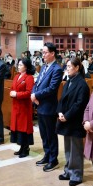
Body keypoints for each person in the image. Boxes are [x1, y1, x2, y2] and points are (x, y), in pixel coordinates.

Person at [57, 57, 90, 186]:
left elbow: (80, 104)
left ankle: (76, 175)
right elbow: (61, 99)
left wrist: (67, 116)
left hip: (75, 120)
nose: (67, 69)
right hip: (65, 119)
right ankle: (68, 171)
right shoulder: (68, 82)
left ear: (77, 68)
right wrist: (60, 112)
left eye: (70, 66)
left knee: (76, 149)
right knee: (67, 148)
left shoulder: (82, 84)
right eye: (67, 66)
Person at [31, 42, 64, 172]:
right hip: (40, 105)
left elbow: (52, 88)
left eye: (45, 52)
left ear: (52, 53)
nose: (43, 55)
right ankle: (47, 154)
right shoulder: (44, 67)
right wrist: (34, 94)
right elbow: (37, 83)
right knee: (44, 133)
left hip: (49, 106)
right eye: (42, 52)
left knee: (50, 134)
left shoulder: (57, 69)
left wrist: (36, 95)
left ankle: (53, 159)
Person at [10, 57, 35, 157]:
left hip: (24, 106)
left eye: (21, 65)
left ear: (26, 67)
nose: (18, 67)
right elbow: (12, 88)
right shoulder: (17, 76)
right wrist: (12, 93)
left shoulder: (29, 78)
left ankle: (26, 148)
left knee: (24, 127)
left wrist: (17, 94)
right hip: (16, 105)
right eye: (18, 65)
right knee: (17, 127)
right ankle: (21, 147)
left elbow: (29, 92)